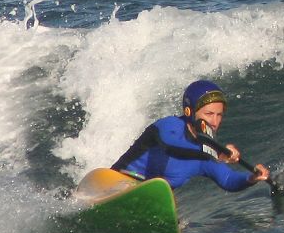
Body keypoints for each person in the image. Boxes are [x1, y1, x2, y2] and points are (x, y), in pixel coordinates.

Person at [111, 80, 270, 191]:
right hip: (116, 181)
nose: (214, 122)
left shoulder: (206, 154)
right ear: (189, 112)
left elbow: (228, 180)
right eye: (208, 114)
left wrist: (251, 179)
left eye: (219, 115)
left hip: (152, 197)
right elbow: (171, 146)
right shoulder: (169, 125)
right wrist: (216, 153)